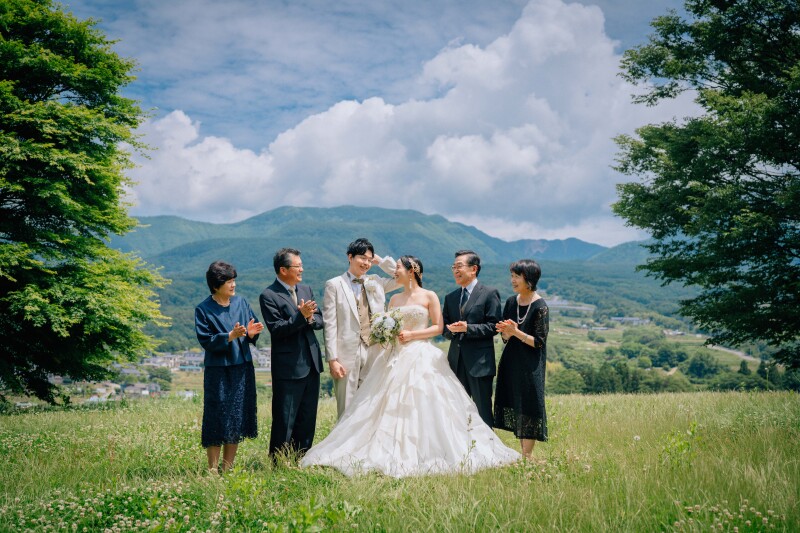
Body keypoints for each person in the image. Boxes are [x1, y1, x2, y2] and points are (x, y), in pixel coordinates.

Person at [301, 255, 520, 477]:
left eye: (398, 268)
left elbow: (437, 327)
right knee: (383, 404)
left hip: (421, 354)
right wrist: (387, 332)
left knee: (425, 403)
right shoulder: (394, 300)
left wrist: (413, 334)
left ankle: (432, 449)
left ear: (412, 271)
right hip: (394, 355)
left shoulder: (429, 296)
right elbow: (390, 324)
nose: (395, 272)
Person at [195, 260, 264, 473]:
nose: (233, 285)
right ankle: (212, 469)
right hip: (218, 370)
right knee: (216, 416)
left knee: (235, 416)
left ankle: (228, 467)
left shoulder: (241, 303)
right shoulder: (204, 309)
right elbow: (205, 340)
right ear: (216, 285)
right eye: (228, 281)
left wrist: (252, 334)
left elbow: (252, 328)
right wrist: (229, 336)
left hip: (241, 367)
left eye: (234, 280)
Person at [322, 238, 399, 419]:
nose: (366, 263)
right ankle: (343, 445)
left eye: (369, 259)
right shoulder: (334, 284)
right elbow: (330, 324)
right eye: (362, 258)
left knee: (371, 401)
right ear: (350, 257)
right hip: (347, 352)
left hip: (375, 348)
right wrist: (332, 359)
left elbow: (403, 277)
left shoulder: (376, 281)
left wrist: (380, 262)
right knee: (346, 405)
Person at [259, 248, 324, 458]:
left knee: (307, 417)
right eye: (298, 266)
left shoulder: (306, 289)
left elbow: (320, 320)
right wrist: (301, 316)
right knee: (285, 418)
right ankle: (279, 463)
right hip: (288, 367)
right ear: (283, 269)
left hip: (311, 363)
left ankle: (301, 459)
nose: (301, 269)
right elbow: (277, 330)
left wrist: (311, 318)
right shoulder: (269, 295)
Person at [495, 259, 549, 458]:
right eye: (512, 276)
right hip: (511, 362)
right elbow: (504, 336)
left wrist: (515, 332)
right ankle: (523, 454)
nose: (513, 280)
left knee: (529, 406)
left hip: (530, 365)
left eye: (517, 276)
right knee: (517, 405)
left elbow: (539, 342)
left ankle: (527, 457)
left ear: (529, 279)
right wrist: (506, 334)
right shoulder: (511, 302)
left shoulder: (541, 306)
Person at [442, 250, 502, 427]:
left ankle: (489, 451)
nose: (455, 270)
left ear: (474, 269)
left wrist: (468, 328)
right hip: (455, 362)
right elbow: (444, 330)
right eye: (453, 267)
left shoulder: (489, 293)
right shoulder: (450, 297)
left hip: (480, 363)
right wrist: (451, 331)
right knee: (455, 409)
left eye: (459, 266)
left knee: (482, 410)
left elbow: (494, 326)